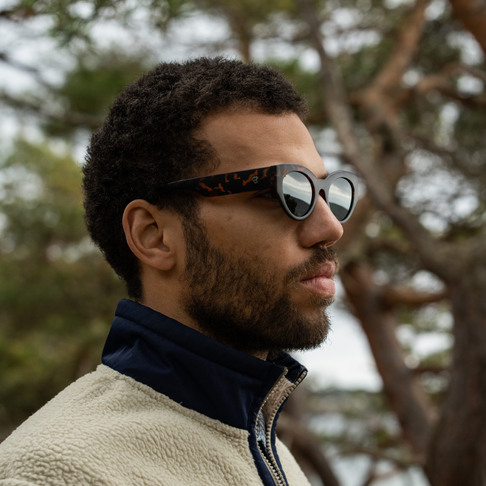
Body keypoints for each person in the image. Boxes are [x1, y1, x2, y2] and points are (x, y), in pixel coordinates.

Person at [0, 57, 357, 485]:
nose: (330, 227)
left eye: (327, 192)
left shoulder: (269, 450)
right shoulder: (61, 473)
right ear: (153, 235)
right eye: (286, 191)